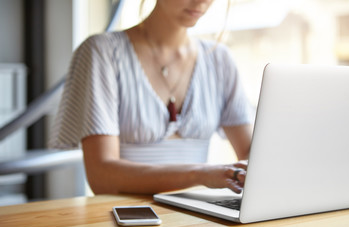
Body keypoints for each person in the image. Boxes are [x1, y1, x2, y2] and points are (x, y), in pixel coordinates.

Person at [50, 0, 254, 195]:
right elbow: (102, 177)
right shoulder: (103, 52)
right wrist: (201, 174)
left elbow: (250, 154)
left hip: (197, 220)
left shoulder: (219, 59)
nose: (203, 1)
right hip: (128, 218)